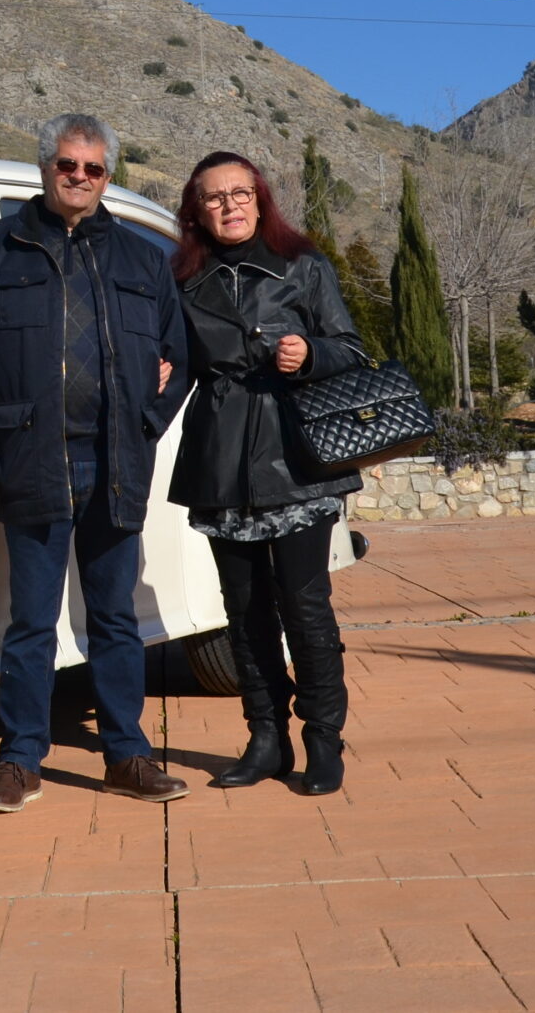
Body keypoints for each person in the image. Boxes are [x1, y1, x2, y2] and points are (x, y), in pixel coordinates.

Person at [0, 113, 194, 813]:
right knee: (30, 623)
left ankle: (127, 754)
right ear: (45, 166)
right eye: (66, 164)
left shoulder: (142, 261)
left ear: (108, 176)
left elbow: (182, 355)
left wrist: (147, 423)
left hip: (114, 464)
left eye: (93, 168)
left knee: (115, 617)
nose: (79, 176)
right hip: (29, 463)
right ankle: (20, 762)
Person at [166, 150, 367, 796]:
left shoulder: (303, 266)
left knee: (306, 608)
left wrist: (310, 353)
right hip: (221, 462)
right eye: (215, 197)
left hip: (296, 462)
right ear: (197, 210)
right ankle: (265, 737)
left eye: (240, 193)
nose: (229, 205)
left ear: (260, 198)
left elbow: (353, 351)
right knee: (244, 611)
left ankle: (323, 740)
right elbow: (178, 366)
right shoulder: (184, 279)